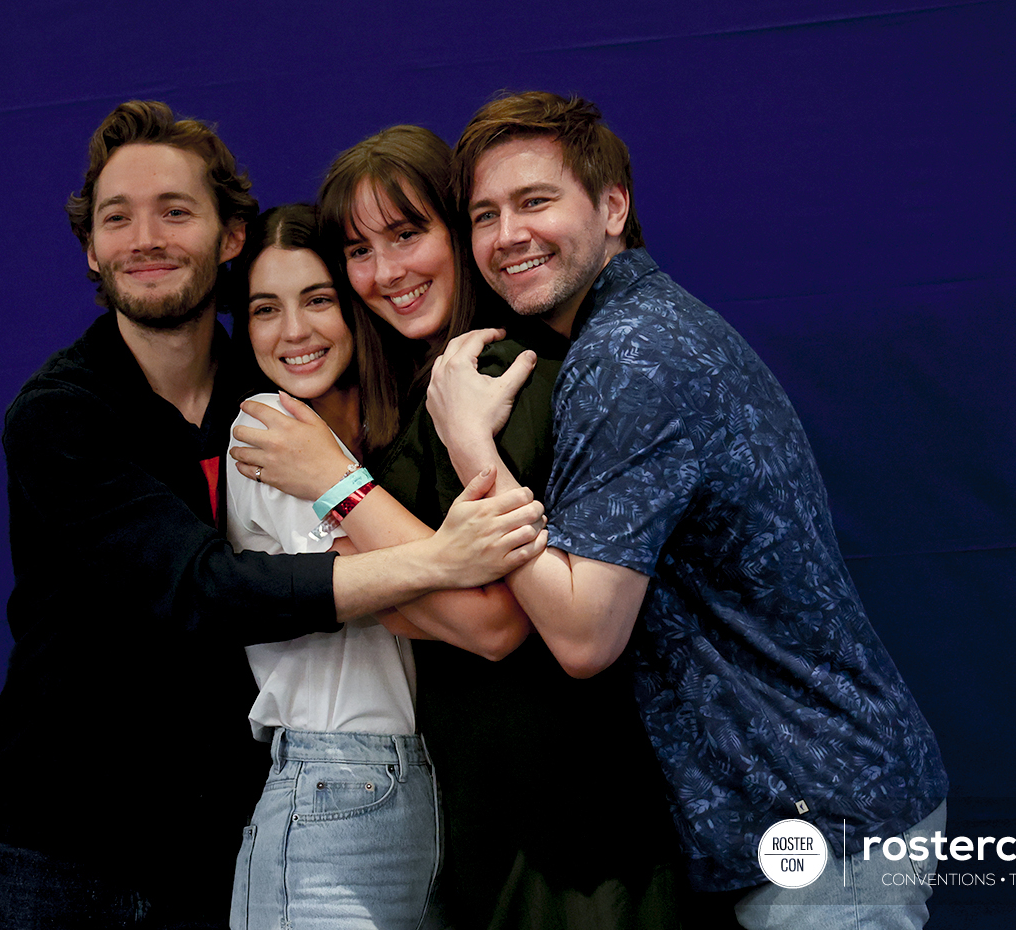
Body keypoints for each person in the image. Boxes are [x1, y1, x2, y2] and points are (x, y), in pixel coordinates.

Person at [0, 100, 546, 930]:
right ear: (91, 249)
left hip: (223, 823)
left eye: (176, 212)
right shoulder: (62, 417)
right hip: (67, 839)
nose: (146, 239)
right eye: (117, 218)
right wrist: (442, 562)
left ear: (229, 236)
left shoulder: (280, 394)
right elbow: (203, 589)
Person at [427, 91, 950, 929]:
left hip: (825, 827)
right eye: (485, 215)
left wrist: (468, 447)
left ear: (612, 205)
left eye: (535, 202)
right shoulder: (647, 327)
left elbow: (583, 635)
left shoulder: (632, 352)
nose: (506, 236)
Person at [231, 126, 683, 928]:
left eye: (409, 235)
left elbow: (494, 623)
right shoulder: (417, 398)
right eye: (360, 252)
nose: (388, 273)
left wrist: (343, 529)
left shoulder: (503, 377)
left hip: (572, 839)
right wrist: (383, 576)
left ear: (460, 231)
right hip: (481, 825)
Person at [222, 204, 442, 928]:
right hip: (331, 787)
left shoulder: (378, 434)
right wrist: (456, 553)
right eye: (264, 309)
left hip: (417, 785)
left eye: (317, 300)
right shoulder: (269, 428)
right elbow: (402, 598)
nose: (294, 332)